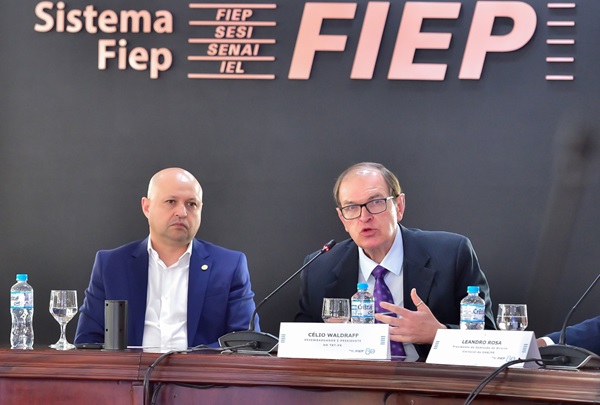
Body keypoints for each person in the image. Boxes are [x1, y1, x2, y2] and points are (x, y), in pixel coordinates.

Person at [296, 162, 495, 359]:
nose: (364, 217)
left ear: (399, 206)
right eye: (351, 207)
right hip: (352, 382)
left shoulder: (451, 254)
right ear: (342, 218)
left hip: (431, 384)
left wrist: (437, 334)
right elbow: (298, 346)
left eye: (375, 202)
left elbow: (491, 340)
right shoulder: (318, 268)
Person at [75, 168, 259, 350]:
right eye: (171, 201)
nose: (182, 212)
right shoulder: (111, 265)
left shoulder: (229, 266)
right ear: (147, 207)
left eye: (191, 204)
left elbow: (247, 342)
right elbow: (87, 342)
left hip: (200, 378)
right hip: (129, 376)